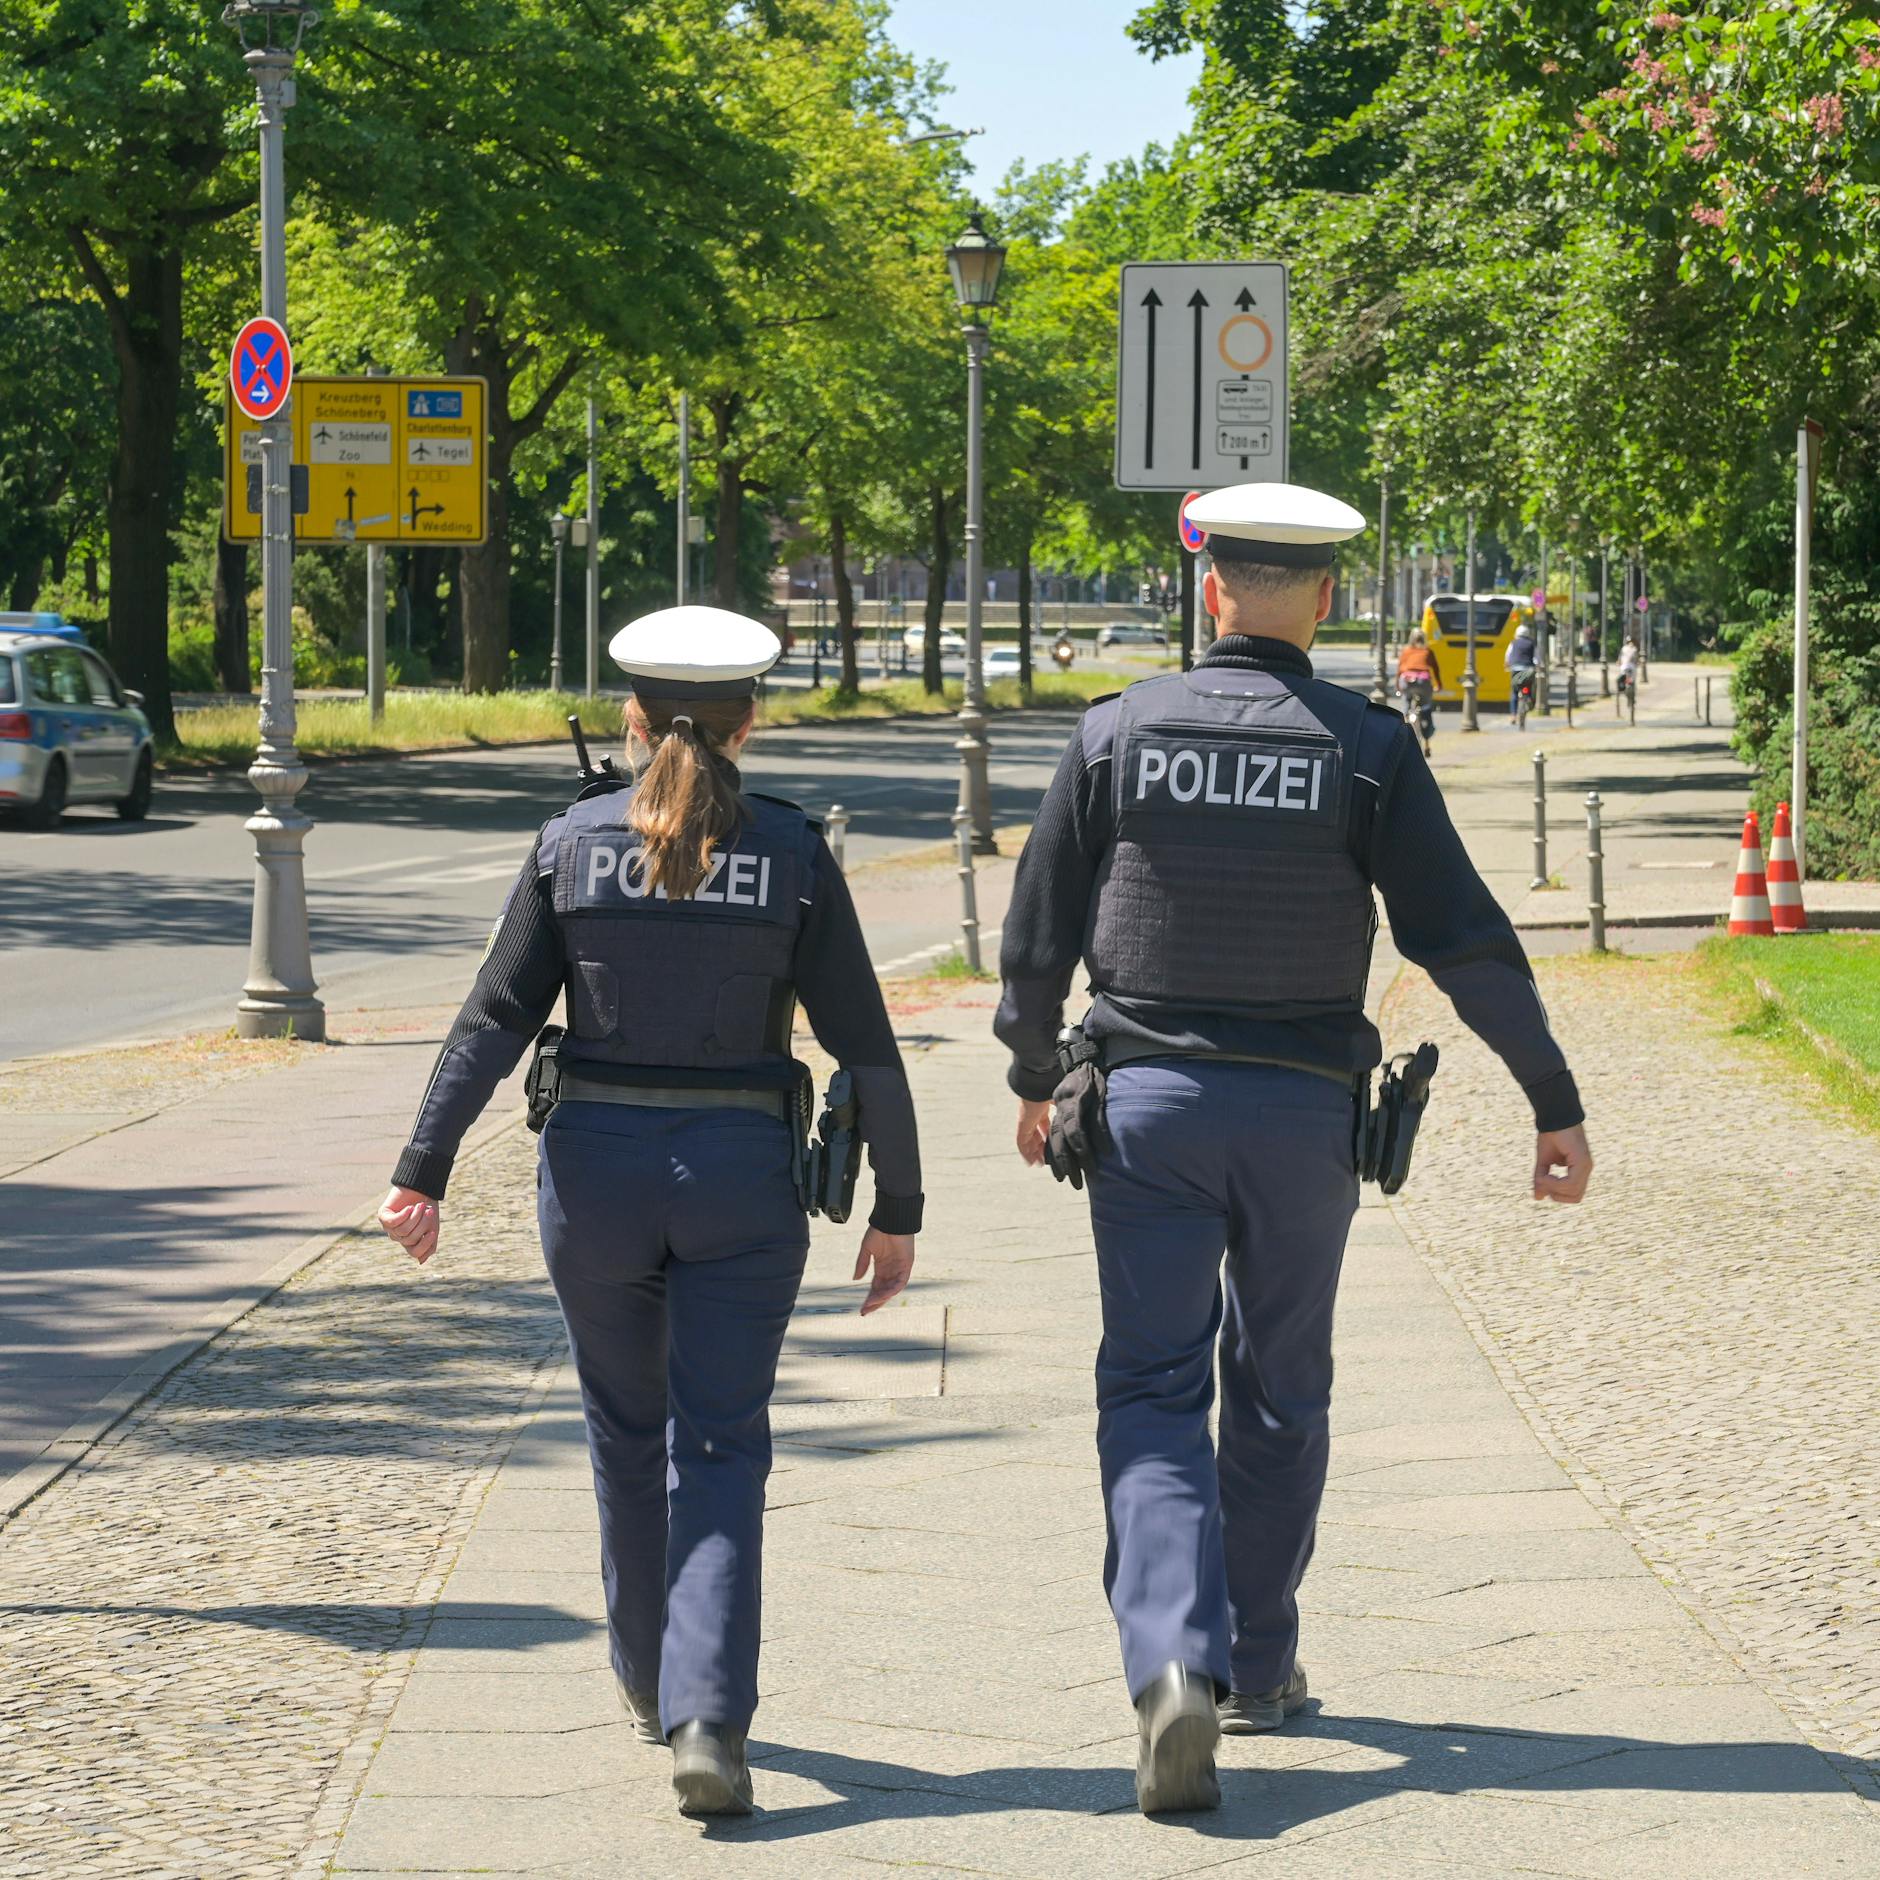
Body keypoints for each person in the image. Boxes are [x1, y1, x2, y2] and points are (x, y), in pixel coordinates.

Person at [994, 482, 1593, 1817]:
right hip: (1304, 1118)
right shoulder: (1365, 747)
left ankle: (1171, 1669)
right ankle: (1258, 1659)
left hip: (1144, 1107)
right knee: (1277, 1386)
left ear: (1213, 590)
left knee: (1151, 1392)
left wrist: (1037, 1074)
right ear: (1323, 599)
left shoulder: (1115, 734)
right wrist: (1552, 1099)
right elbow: (1461, 939)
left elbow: (1038, 933)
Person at [377, 605, 922, 1818]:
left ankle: (643, 1675)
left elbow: (491, 1019)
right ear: (751, 723)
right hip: (743, 1179)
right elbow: (863, 1042)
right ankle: (709, 1718)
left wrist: (422, 1168)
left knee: (625, 1432)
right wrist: (898, 1199)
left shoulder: (569, 842)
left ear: (630, 719)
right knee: (719, 1440)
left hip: (596, 1179)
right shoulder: (788, 849)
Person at [1395, 626, 1437, 756]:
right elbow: (1436, 669)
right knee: (1426, 709)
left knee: (1406, 702)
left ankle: (1406, 720)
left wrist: (1398, 686)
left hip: (1407, 681)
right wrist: (1438, 685)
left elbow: (1400, 670)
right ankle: (1427, 744)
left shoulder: (1406, 651)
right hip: (1423, 682)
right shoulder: (1428, 651)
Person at [1504, 615, 1538, 724]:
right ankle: (1529, 700)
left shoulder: (1513, 643)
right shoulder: (1531, 643)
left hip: (1515, 670)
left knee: (1514, 693)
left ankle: (1513, 715)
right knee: (1529, 687)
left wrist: (1507, 665)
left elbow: (1508, 656)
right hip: (1528, 671)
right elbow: (1536, 658)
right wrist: (1537, 666)